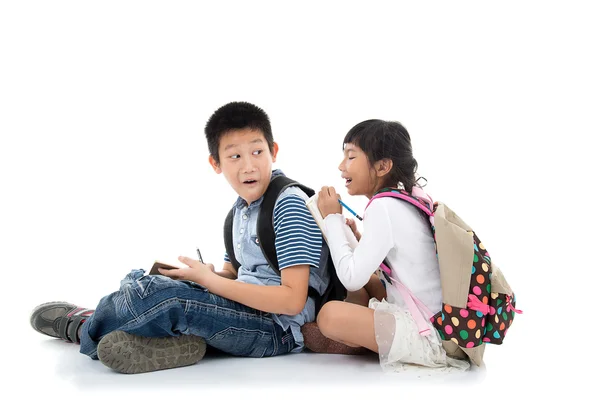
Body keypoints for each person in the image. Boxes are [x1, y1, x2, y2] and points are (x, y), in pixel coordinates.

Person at [29, 101, 331, 374]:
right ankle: (165, 340)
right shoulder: (239, 212)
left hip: (275, 330)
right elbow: (235, 275)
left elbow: (292, 300)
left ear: (273, 151)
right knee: (153, 283)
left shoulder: (287, 204)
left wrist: (210, 283)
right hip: (245, 314)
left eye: (257, 152)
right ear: (216, 164)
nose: (249, 165)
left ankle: (84, 325)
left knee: (161, 295)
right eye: (235, 156)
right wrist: (206, 276)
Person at [304, 119, 469, 372]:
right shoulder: (405, 199)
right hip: (443, 324)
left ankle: (359, 341)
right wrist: (355, 237)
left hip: (431, 335)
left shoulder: (383, 207)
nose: (341, 166)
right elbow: (385, 271)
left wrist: (332, 219)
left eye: (351, 157)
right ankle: (361, 337)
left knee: (329, 315)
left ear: (382, 166)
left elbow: (350, 278)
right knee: (369, 283)